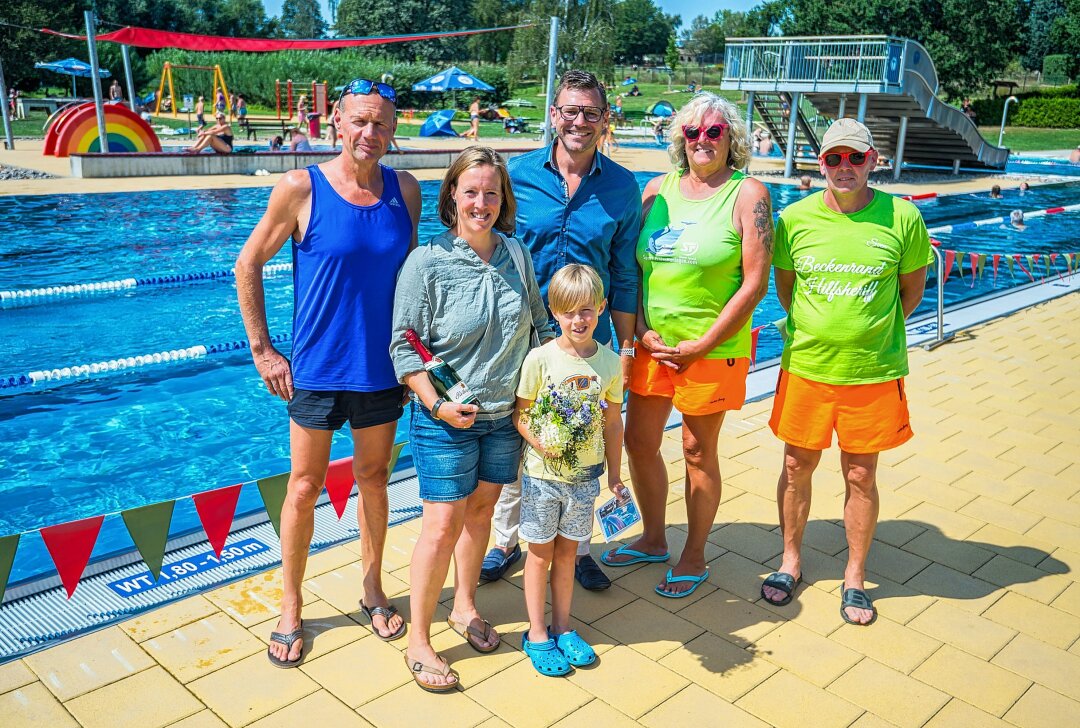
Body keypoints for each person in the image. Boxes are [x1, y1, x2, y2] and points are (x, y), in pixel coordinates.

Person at [235, 77, 422, 668]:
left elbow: (413, 282)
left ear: (394, 132)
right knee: (303, 486)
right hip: (316, 368)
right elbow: (247, 264)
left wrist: (419, 363)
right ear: (338, 123)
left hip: (382, 369)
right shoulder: (300, 187)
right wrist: (264, 351)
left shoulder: (406, 190)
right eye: (360, 121)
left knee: (373, 478)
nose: (371, 133)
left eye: (382, 124)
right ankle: (290, 607)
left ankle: (372, 589)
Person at [390, 146, 553, 691]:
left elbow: (539, 323)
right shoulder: (427, 262)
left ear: (503, 199)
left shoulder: (516, 255)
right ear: (452, 196)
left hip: (505, 416)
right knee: (441, 524)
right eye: (471, 191)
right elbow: (403, 350)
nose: (480, 202)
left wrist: (566, 383)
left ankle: (463, 605)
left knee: (482, 511)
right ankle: (419, 639)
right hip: (443, 419)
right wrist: (436, 405)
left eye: (491, 192)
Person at [600, 92, 772, 597]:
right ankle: (654, 539)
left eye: (714, 132)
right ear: (680, 139)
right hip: (655, 345)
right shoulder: (657, 189)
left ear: (731, 139)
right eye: (692, 132)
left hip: (712, 348)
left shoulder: (749, 195)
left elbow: (755, 282)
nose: (702, 140)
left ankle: (694, 553)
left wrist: (704, 342)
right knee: (638, 441)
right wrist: (643, 332)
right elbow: (635, 268)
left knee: (697, 449)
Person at [762, 119, 931, 626]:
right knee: (797, 467)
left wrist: (865, 334)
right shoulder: (794, 219)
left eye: (854, 158)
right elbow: (786, 290)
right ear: (822, 163)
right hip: (808, 367)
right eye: (833, 158)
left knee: (861, 473)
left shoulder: (902, 218)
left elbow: (911, 293)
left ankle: (854, 576)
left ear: (872, 160)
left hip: (873, 371)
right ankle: (790, 560)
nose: (843, 167)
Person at [482, 69, 642, 592]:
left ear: (603, 121)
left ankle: (578, 546)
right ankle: (506, 541)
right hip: (523, 332)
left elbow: (623, 272)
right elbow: (490, 245)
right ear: (554, 116)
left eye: (590, 113)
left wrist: (624, 344)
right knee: (516, 431)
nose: (579, 121)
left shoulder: (620, 187)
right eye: (570, 111)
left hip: (585, 335)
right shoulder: (519, 175)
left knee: (583, 436)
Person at [514, 264, 624, 675]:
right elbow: (521, 416)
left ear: (601, 308)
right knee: (539, 555)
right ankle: (536, 632)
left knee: (568, 556)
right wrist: (540, 441)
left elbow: (613, 423)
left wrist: (615, 474)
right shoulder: (540, 360)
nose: (578, 320)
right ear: (554, 312)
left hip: (584, 480)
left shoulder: (611, 364)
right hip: (543, 478)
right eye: (568, 312)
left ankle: (563, 627)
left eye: (587, 311)